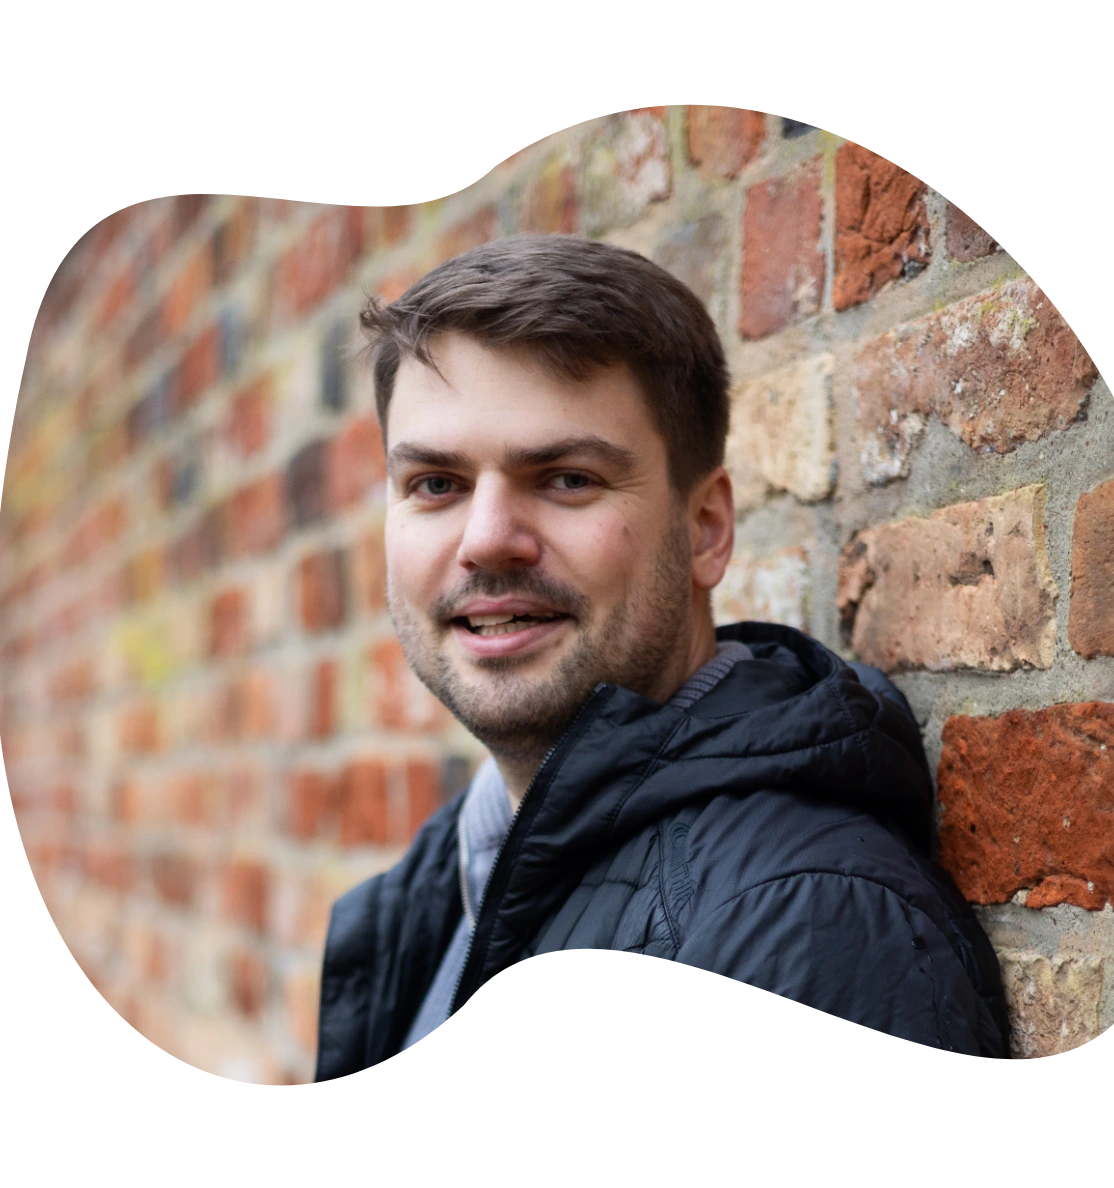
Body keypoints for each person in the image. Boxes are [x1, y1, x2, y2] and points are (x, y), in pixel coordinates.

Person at [313, 234, 1010, 1080]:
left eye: (567, 477)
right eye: (435, 485)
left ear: (705, 529)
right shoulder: (439, 892)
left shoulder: (813, 922)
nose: (487, 539)